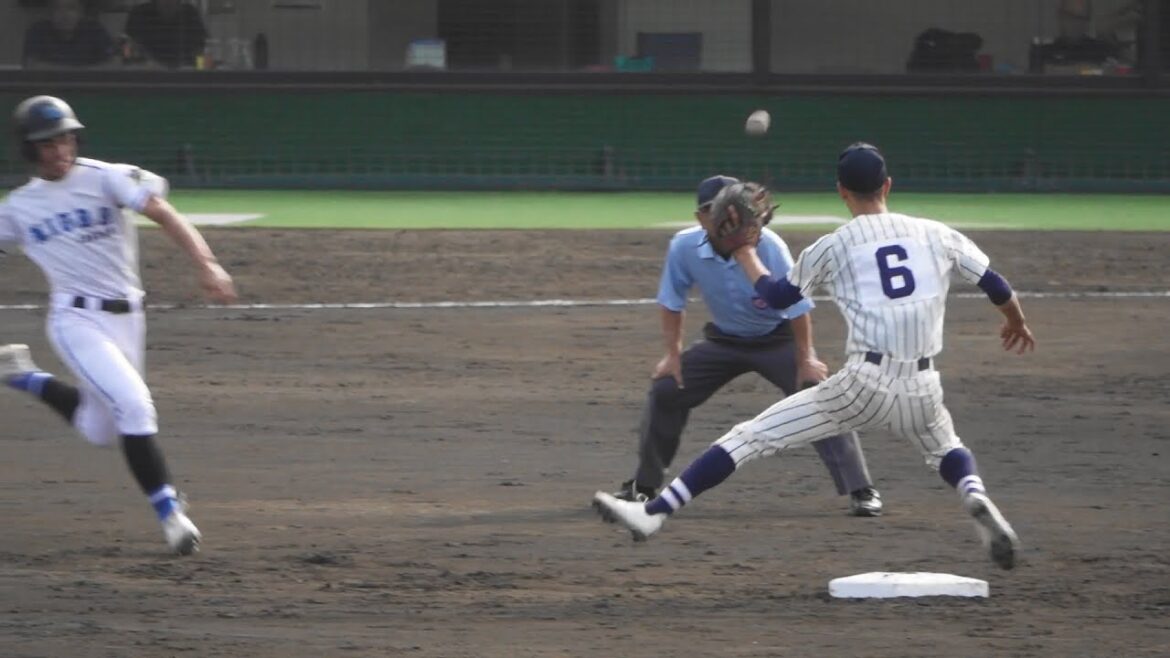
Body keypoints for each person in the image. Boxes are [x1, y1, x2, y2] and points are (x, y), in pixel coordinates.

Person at [593, 144, 1035, 570]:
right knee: (946, 449)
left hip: (863, 385)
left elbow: (777, 296)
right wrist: (1014, 321)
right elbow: (995, 283)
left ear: (841, 191)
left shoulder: (833, 246)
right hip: (924, 385)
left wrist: (745, 252)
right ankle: (973, 492)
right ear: (888, 185)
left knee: (750, 437)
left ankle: (654, 512)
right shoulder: (936, 233)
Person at [0, 96, 238, 555]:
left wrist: (208, 265)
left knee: (101, 429)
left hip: (130, 318)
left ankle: (24, 376)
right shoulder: (19, 208)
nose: (59, 149)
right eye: (46, 143)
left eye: (65, 138)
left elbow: (164, 213)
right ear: (29, 150)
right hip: (75, 320)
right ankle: (171, 514)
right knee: (134, 405)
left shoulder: (105, 177)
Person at [598, 175, 882, 517]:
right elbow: (672, 302)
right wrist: (672, 357)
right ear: (702, 216)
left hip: (777, 339)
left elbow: (797, 307)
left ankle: (860, 488)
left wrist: (806, 359)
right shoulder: (684, 247)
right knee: (666, 389)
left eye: (735, 208)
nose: (729, 216)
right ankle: (643, 487)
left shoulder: (769, 246)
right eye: (717, 209)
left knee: (817, 393)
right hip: (723, 340)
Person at [22, 0, 115, 69]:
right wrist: (80, 71)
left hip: (87, 89)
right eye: (57, 9)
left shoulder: (95, 30)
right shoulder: (38, 31)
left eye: (71, 8)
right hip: (49, 89)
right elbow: (31, 65)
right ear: (50, 13)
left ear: (81, 12)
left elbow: (112, 64)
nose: (64, 15)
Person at [125, 0, 207, 69]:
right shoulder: (139, 13)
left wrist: (200, 71)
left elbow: (202, 49)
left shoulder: (190, 13)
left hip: (185, 77)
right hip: (146, 76)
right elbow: (127, 48)